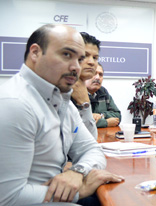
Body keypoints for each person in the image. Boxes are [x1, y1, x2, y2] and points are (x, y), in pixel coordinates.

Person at [0, 24, 123, 205]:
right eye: (66, 55)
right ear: (35, 53)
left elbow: (92, 149)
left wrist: (77, 172)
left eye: (80, 59)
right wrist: (78, 191)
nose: (76, 67)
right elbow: (8, 197)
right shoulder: (16, 103)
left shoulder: (59, 98)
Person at [71, 32, 100, 138]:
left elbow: (90, 140)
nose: (92, 62)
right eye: (85, 56)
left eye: (95, 57)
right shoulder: (59, 91)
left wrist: (84, 103)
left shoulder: (83, 91)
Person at [85, 63, 121, 128]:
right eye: (94, 73)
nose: (97, 77)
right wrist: (106, 122)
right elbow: (80, 123)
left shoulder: (103, 92)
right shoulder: (76, 93)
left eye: (100, 74)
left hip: (102, 136)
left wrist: (101, 115)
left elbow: (117, 116)